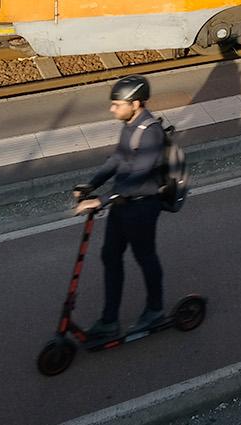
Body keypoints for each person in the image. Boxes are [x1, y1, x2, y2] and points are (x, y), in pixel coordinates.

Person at [72, 75, 167, 339]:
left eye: (117, 104)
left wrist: (100, 201)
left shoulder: (151, 133)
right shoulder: (130, 124)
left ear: (135, 103)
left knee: (145, 257)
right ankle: (109, 319)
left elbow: (137, 179)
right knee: (110, 256)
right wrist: (91, 185)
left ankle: (155, 309)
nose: (112, 109)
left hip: (142, 207)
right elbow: (118, 158)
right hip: (122, 205)